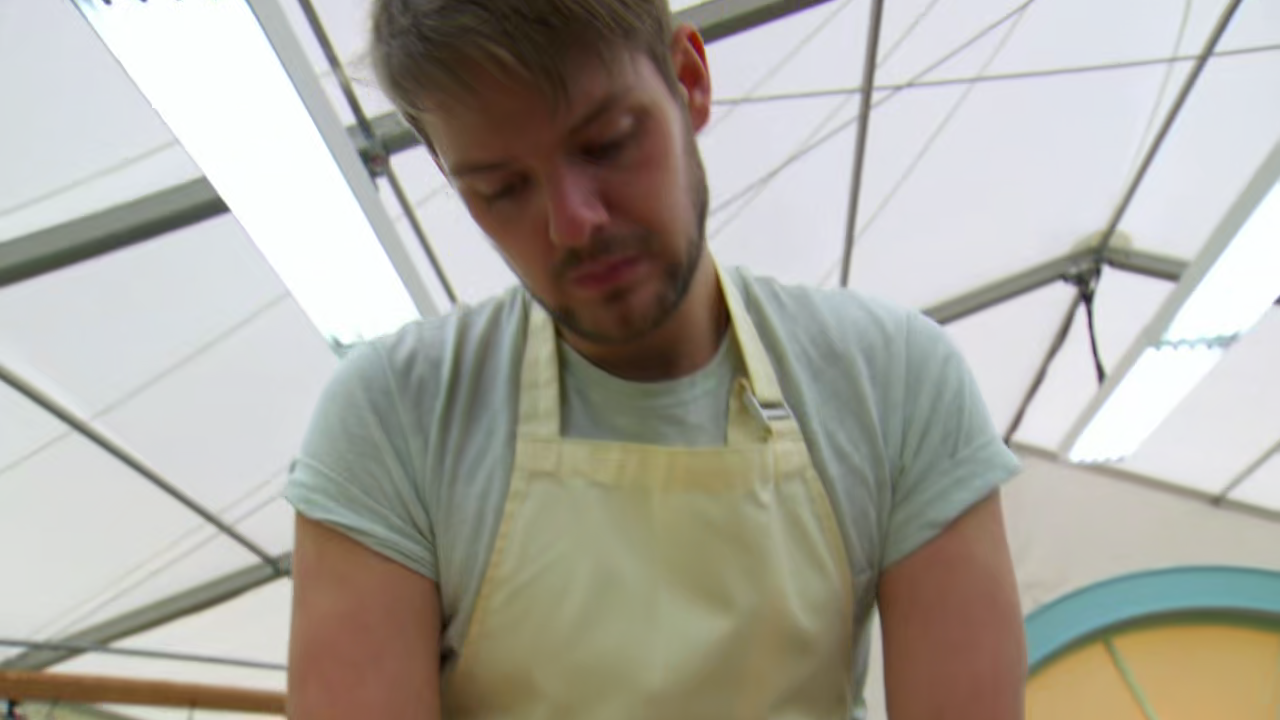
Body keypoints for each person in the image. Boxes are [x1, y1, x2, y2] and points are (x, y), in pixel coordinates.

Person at [283, 0, 1027, 717]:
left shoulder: (891, 383)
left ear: (688, 80)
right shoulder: (395, 424)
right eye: (503, 189)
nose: (573, 222)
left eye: (606, 143)